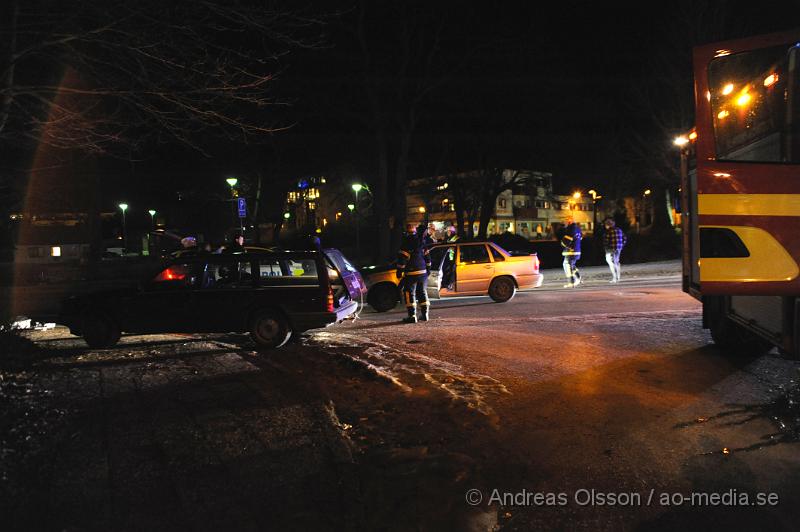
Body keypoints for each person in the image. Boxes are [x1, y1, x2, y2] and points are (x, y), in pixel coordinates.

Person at [396, 223, 432, 323]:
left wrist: (399, 272)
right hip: (423, 272)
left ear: (406, 232)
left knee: (409, 293)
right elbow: (428, 257)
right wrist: (428, 269)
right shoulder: (421, 241)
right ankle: (425, 315)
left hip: (411, 273)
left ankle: (412, 316)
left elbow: (402, 259)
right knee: (422, 292)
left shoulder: (406, 242)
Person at [603, 218, 627, 283]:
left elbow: (606, 241)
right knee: (616, 262)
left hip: (611, 249)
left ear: (608, 225)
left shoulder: (608, 232)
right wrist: (621, 245)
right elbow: (625, 238)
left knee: (610, 262)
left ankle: (615, 278)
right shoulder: (619, 230)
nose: (605, 226)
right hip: (619, 248)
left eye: (606, 225)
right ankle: (618, 277)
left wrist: (606, 248)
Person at [561, 216, 582, 288]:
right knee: (572, 265)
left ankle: (571, 282)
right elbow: (580, 238)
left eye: (565, 221)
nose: (564, 223)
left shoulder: (570, 228)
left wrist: (562, 243)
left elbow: (567, 240)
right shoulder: (578, 228)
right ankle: (578, 278)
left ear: (569, 221)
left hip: (571, 251)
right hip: (577, 250)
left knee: (567, 265)